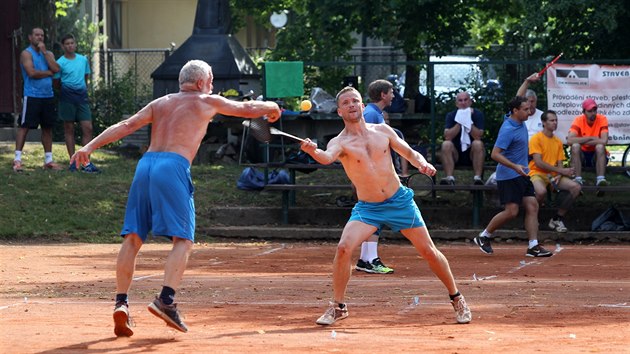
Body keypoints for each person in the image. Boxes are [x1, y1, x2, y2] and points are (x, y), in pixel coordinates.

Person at [70, 60, 281, 337]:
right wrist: (273, 107)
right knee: (183, 240)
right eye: (211, 80)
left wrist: (88, 146)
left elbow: (126, 125)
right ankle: (166, 300)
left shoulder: (161, 102)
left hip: (145, 166)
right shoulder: (205, 100)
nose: (212, 85)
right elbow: (247, 109)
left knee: (133, 237)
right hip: (173, 167)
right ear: (201, 82)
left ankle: (121, 302)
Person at [300, 86, 471, 326]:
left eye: (355, 101)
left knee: (429, 252)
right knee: (343, 248)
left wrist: (422, 164)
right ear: (339, 111)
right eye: (346, 103)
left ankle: (457, 298)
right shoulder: (340, 142)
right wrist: (312, 151)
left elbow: (410, 153)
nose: (351, 105)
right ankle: (338, 306)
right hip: (368, 207)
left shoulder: (382, 130)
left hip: (399, 201)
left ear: (362, 106)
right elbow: (326, 157)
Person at [473, 96, 552, 258]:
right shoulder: (508, 129)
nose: (529, 112)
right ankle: (484, 236)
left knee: (532, 205)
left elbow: (518, 96)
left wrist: (528, 81)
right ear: (515, 111)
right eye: (525, 109)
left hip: (522, 174)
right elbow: (495, 154)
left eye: (529, 109)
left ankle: (533, 246)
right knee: (512, 211)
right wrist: (515, 166)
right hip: (509, 176)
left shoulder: (519, 120)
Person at [354, 79, 402, 275]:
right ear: (383, 95)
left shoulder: (374, 113)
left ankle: (365, 259)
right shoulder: (372, 114)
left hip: (370, 173)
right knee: (375, 213)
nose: (393, 96)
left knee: (371, 214)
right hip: (370, 175)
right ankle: (371, 259)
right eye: (391, 92)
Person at [13, 27, 61, 172]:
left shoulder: (49, 53)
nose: (39, 37)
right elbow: (31, 73)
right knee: (25, 127)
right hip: (32, 95)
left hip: (48, 96)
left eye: (42, 35)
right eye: (36, 35)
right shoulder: (26, 53)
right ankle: (17, 159)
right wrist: (48, 72)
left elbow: (56, 69)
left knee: (47, 128)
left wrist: (45, 53)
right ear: (30, 37)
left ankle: (48, 160)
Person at [528, 110, 582, 232]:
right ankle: (532, 218)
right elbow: (538, 162)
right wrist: (560, 171)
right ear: (543, 122)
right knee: (541, 192)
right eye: (552, 120)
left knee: (576, 187)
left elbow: (560, 162)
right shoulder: (536, 139)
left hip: (553, 175)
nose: (555, 123)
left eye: (556, 120)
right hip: (537, 173)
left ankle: (557, 219)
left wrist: (558, 174)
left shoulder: (558, 141)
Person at [53, 33, 100, 173]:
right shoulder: (60, 62)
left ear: (75, 44)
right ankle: (73, 161)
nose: (70, 45)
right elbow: (56, 82)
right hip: (66, 98)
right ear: (63, 46)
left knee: (88, 127)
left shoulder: (83, 60)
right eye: (67, 43)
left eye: (72, 43)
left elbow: (86, 77)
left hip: (82, 98)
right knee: (69, 128)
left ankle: (86, 162)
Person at [440, 91, 485, 185]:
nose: (463, 103)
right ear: (457, 104)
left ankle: (477, 178)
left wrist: (468, 120)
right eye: (460, 100)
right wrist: (460, 121)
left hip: (472, 154)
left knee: (478, 143)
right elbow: (447, 136)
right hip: (455, 154)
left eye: (465, 100)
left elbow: (478, 135)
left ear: (470, 102)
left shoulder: (477, 114)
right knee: (446, 144)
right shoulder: (451, 115)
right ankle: (449, 178)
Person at [566, 98, 609, 189]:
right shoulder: (578, 120)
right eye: (590, 111)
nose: (593, 113)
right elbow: (569, 140)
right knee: (575, 146)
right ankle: (578, 180)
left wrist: (581, 140)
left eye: (594, 110)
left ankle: (601, 180)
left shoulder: (602, 119)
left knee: (600, 147)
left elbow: (604, 141)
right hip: (582, 156)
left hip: (597, 155)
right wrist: (590, 138)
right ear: (584, 112)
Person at [517, 73, 544, 140]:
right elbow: (517, 98)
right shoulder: (518, 115)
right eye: (527, 101)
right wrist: (527, 80)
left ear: (536, 101)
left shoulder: (543, 116)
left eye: (532, 101)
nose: (530, 104)